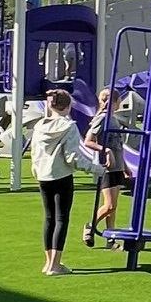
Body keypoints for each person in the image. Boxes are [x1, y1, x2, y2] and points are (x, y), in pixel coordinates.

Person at [30, 89, 104, 276]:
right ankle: (55, 264)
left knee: (49, 218)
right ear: (69, 106)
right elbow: (73, 157)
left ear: (50, 105)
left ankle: (48, 263)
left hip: (43, 176)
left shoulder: (39, 125)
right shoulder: (69, 126)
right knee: (61, 218)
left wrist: (36, 170)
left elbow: (34, 151)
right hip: (61, 176)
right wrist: (96, 169)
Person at [82, 87, 125, 248]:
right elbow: (88, 140)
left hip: (118, 167)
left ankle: (111, 239)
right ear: (115, 101)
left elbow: (119, 146)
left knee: (113, 207)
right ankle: (90, 226)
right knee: (109, 205)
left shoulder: (114, 119)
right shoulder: (102, 118)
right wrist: (104, 150)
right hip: (107, 168)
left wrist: (125, 166)